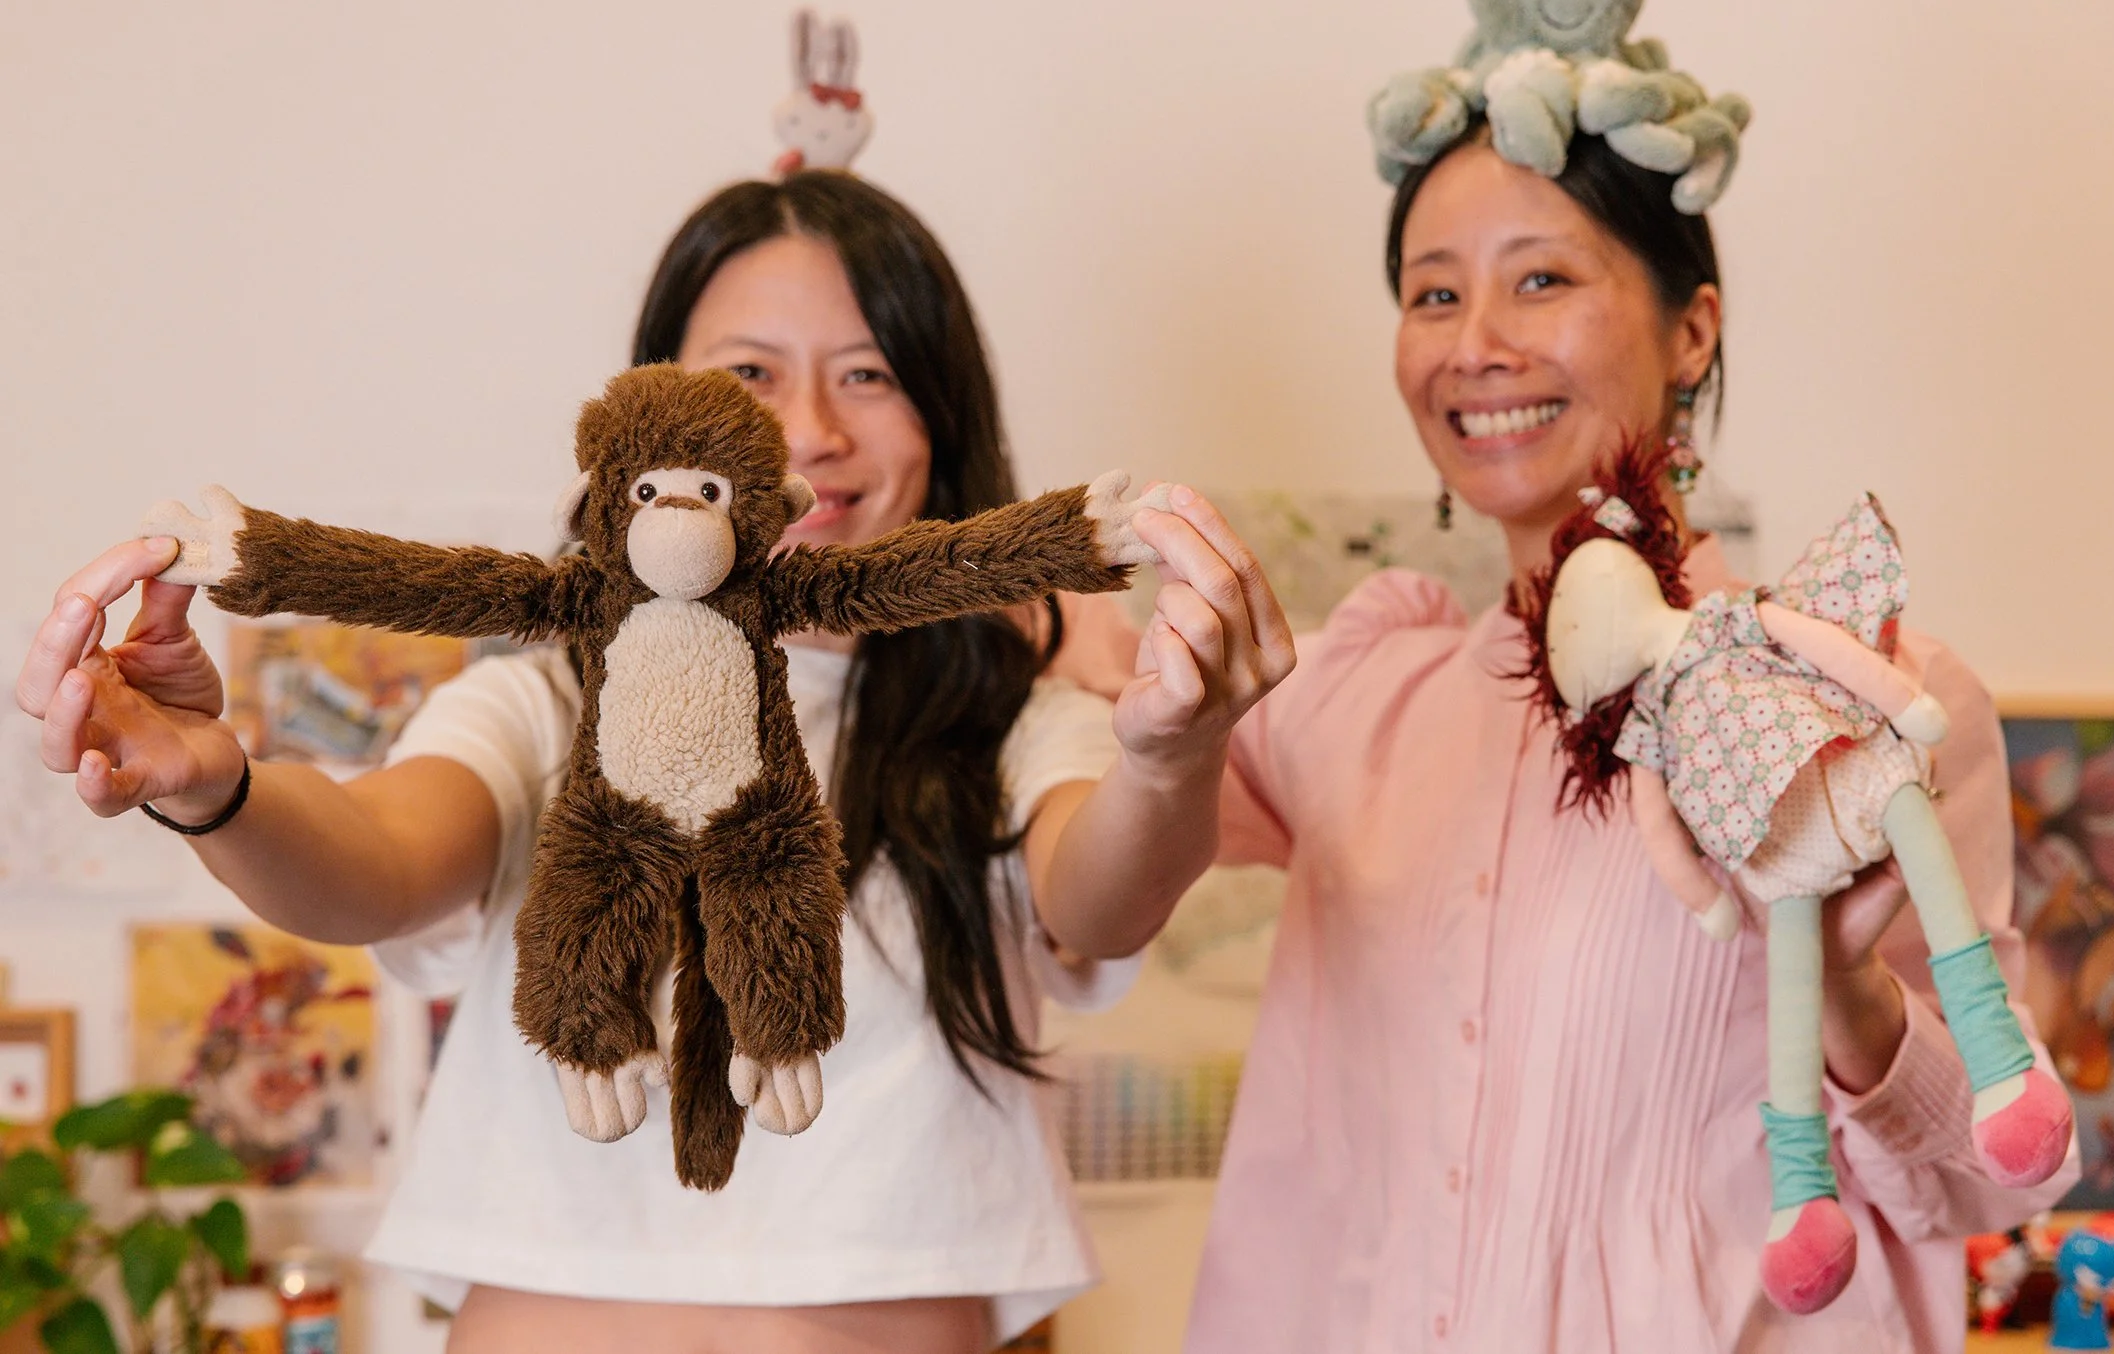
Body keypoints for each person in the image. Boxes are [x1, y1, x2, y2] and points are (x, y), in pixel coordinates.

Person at [14, 170, 1294, 1354]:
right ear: (644, 429)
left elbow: (1100, 883)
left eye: (868, 373)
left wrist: (1173, 756)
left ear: (941, 418)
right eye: (748, 370)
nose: (804, 429)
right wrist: (213, 782)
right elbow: (380, 857)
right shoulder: (542, 703)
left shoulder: (1006, 726)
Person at [1113, 117, 2074, 1350]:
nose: (1475, 344)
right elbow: (1084, 835)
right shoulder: (1347, 693)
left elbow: (1993, 1179)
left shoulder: (1863, 701)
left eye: (1539, 279)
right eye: (1432, 293)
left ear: (1692, 328)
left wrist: (1841, 987)